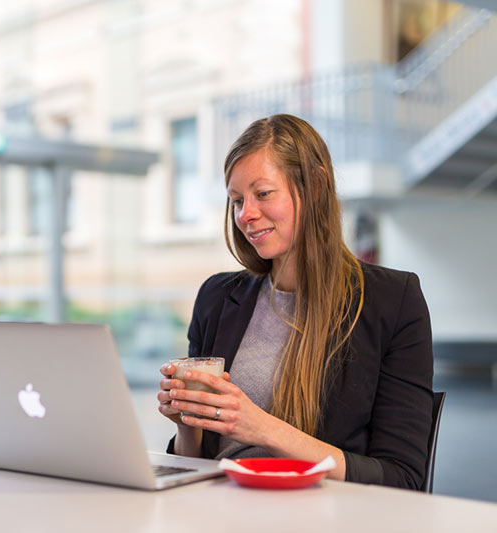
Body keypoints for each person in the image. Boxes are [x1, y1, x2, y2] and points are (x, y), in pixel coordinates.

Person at [157, 114, 433, 490]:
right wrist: (187, 422)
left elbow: (402, 478)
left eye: (263, 193)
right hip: (220, 508)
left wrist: (262, 428)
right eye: (237, 200)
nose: (245, 214)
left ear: (315, 186)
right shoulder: (218, 297)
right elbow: (197, 465)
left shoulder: (392, 302)